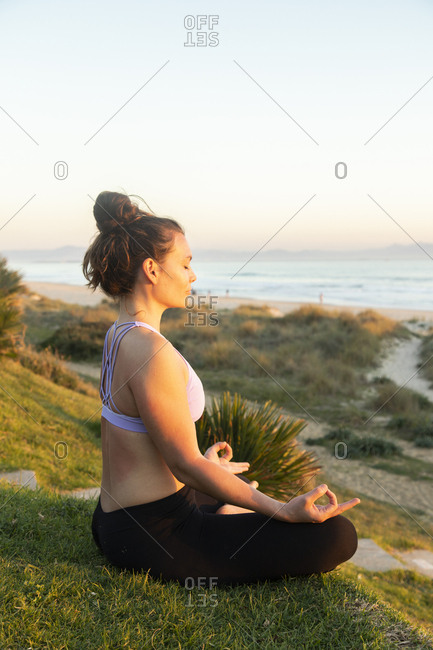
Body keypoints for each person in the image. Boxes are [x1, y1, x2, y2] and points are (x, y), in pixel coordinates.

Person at [84, 191, 360, 586]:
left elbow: (147, 445)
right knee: (337, 536)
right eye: (185, 263)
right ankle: (223, 516)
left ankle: (220, 511)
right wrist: (281, 510)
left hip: (117, 518)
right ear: (152, 269)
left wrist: (203, 468)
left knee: (229, 486)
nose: (192, 275)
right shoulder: (150, 351)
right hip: (155, 536)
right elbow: (184, 463)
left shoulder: (120, 334)